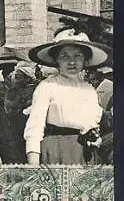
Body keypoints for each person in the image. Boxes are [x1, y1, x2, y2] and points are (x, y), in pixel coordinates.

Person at [25, 28, 108, 165]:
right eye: (65, 56)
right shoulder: (47, 86)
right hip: (56, 151)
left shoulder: (89, 90)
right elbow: (34, 128)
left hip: (84, 153)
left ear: (85, 60)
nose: (72, 62)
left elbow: (93, 123)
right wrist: (33, 166)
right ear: (56, 60)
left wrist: (95, 138)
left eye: (78, 56)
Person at [1, 61, 38, 164]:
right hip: (15, 125)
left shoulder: (33, 91)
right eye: (16, 77)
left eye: (19, 77)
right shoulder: (14, 91)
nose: (16, 80)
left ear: (27, 78)